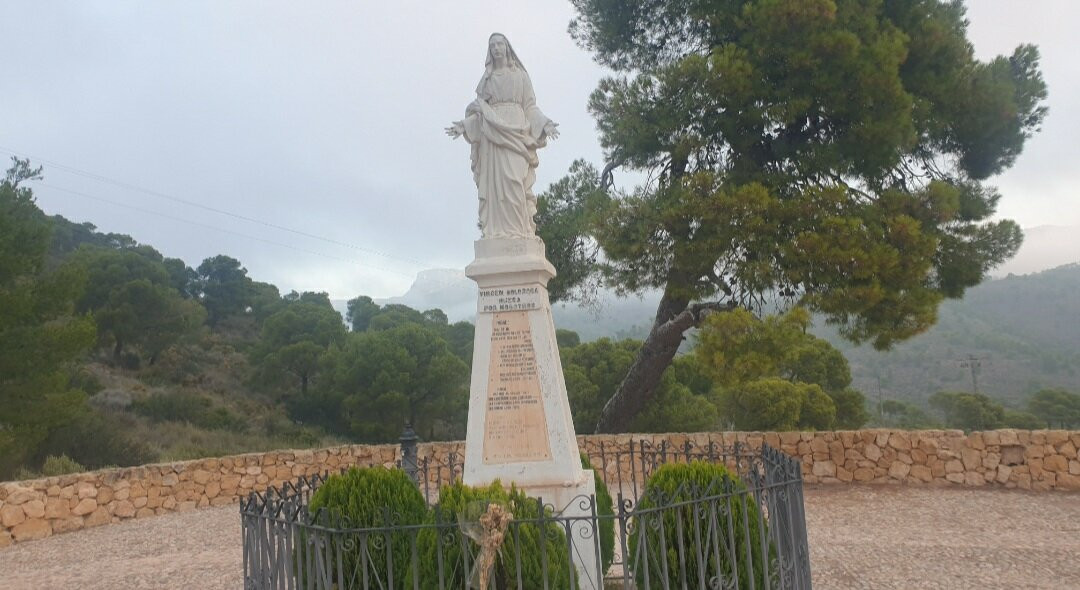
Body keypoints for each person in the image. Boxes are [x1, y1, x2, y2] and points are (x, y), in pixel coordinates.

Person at [447, 33, 559, 239]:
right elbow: (481, 110)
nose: (497, 48)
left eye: (500, 44)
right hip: (492, 134)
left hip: (517, 131)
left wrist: (545, 124)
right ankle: (497, 233)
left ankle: (520, 232)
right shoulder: (487, 80)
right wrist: (464, 125)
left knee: (515, 180)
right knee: (495, 187)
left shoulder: (521, 76)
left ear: (507, 47)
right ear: (489, 51)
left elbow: (530, 106)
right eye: (493, 45)